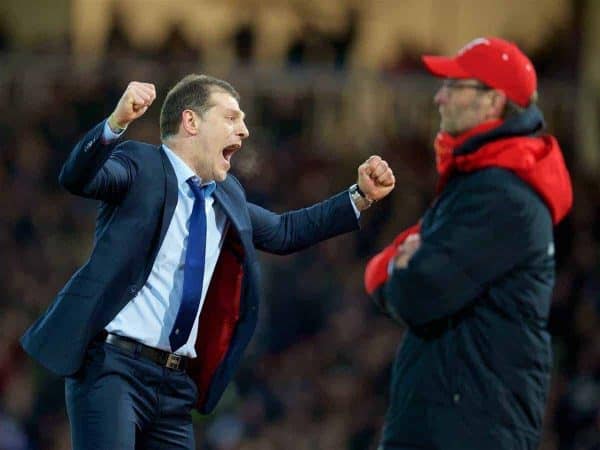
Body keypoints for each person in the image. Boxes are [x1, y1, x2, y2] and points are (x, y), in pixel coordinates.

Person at [21, 74, 396, 449]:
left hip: (174, 384)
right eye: (232, 118)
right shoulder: (141, 164)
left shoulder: (225, 195)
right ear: (191, 122)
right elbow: (77, 178)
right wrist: (116, 124)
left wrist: (360, 196)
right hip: (113, 369)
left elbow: (284, 231)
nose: (245, 130)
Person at [364, 37, 573, 450]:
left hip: (467, 429)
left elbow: (417, 292)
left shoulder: (501, 196)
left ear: (493, 101)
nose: (439, 97)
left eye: (454, 86)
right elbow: (384, 269)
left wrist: (403, 268)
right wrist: (398, 265)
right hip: (455, 422)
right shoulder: (481, 184)